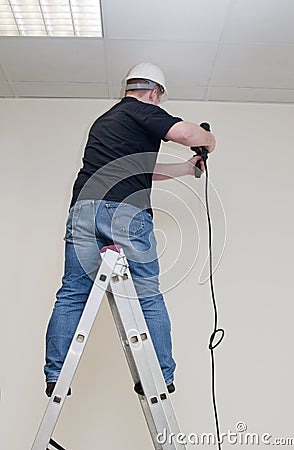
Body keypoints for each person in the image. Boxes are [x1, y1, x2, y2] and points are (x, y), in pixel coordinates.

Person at [44, 62, 216, 397]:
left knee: (72, 293)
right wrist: (209, 140)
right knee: (147, 293)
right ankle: (160, 376)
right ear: (154, 93)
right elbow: (184, 134)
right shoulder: (141, 110)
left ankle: (56, 375)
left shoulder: (105, 122)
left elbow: (138, 170)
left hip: (83, 210)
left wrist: (185, 167)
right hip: (125, 211)